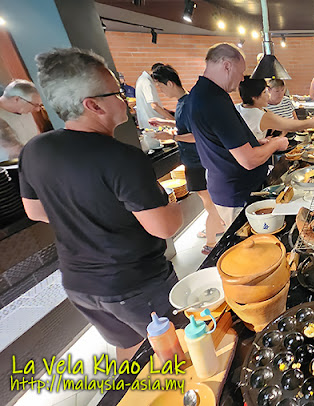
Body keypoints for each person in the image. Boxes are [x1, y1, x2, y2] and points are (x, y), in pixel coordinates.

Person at [19, 48, 182, 362]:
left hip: (79, 284)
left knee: (130, 349)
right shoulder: (121, 157)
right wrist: (172, 201)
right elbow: (165, 226)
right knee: (174, 350)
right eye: (118, 93)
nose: (124, 99)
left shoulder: (35, 149)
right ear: (92, 105)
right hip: (135, 284)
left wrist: (87, 217)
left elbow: (35, 211)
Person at [183, 43, 289, 227]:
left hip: (235, 188)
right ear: (226, 65)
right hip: (235, 193)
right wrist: (276, 143)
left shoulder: (204, 94)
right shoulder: (213, 101)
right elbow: (248, 161)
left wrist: (255, 142)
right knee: (248, 247)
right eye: (241, 72)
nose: (242, 79)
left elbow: (221, 141)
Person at [150, 64, 225, 255]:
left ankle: (213, 240)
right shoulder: (184, 101)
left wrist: (172, 137)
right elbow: (184, 124)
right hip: (193, 160)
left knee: (209, 203)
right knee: (207, 201)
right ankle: (216, 226)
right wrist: (164, 122)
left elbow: (196, 135)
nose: (161, 91)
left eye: (161, 87)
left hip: (198, 161)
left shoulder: (189, 102)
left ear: (170, 83)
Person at [236, 77, 314, 140]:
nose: (268, 95)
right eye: (265, 92)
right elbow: (300, 125)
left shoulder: (238, 108)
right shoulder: (260, 115)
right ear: (254, 97)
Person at [0, 79, 43, 161]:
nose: (37, 109)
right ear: (17, 99)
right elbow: (13, 150)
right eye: (35, 105)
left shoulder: (24, 111)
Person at [135, 64, 173, 129]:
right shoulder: (146, 82)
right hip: (154, 124)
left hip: (151, 122)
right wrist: (172, 119)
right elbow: (154, 106)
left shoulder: (143, 79)